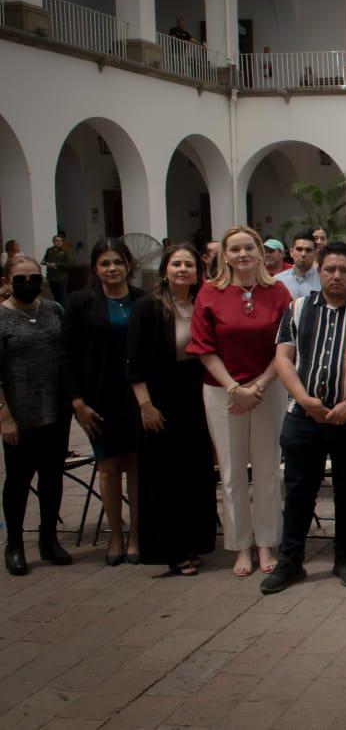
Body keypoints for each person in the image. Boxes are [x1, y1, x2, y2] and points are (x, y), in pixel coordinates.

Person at [262, 242, 346, 594]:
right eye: (330, 269)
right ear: (319, 270)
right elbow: (283, 358)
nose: (337, 276)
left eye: (344, 270)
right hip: (303, 417)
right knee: (298, 490)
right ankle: (291, 562)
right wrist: (304, 399)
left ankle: (344, 558)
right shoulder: (298, 309)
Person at [188, 225, 293, 578]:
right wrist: (235, 388)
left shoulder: (277, 292)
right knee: (232, 472)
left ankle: (266, 542)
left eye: (249, 247)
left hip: (269, 387)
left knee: (267, 468)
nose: (243, 254)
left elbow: (286, 345)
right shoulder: (209, 293)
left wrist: (259, 385)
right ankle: (240, 546)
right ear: (225, 256)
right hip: (222, 391)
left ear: (260, 251)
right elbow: (203, 347)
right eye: (235, 249)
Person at [127, 244, 217, 576]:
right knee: (164, 479)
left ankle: (193, 544)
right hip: (159, 400)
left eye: (189, 265)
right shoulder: (147, 308)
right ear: (165, 270)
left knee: (194, 475)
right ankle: (172, 549)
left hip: (195, 398)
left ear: (198, 272)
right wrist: (145, 405)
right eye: (176, 264)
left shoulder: (202, 305)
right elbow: (134, 363)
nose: (182, 269)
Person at [64, 239, 146, 565]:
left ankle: (137, 535)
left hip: (137, 397)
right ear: (96, 268)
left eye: (117, 262)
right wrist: (76, 402)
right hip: (98, 399)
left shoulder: (144, 301)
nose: (111, 268)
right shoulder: (80, 303)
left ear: (128, 265)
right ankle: (115, 535)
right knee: (109, 467)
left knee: (136, 466)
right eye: (104, 263)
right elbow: (67, 355)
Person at [0, 255, 72, 575]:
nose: (28, 284)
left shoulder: (54, 310)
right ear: (7, 282)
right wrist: (4, 417)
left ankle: (49, 539)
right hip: (19, 413)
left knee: (52, 476)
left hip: (55, 410)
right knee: (18, 480)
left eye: (34, 278)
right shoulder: (1, 317)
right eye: (20, 279)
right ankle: (14, 544)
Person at [276, 234, 320, 299]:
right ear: (291, 252)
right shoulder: (278, 280)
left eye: (308, 250)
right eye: (299, 249)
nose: (303, 254)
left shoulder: (323, 281)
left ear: (315, 254)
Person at [41, 234, 70, 306]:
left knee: (62, 298)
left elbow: (68, 264)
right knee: (55, 298)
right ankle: (58, 313)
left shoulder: (65, 252)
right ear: (53, 242)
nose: (59, 242)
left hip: (62, 278)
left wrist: (55, 264)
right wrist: (46, 263)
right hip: (51, 277)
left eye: (61, 241)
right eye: (57, 241)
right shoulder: (49, 250)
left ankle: (64, 314)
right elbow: (43, 261)